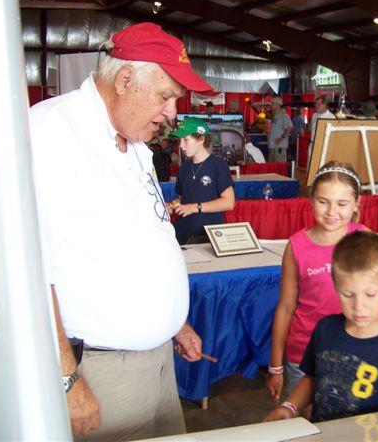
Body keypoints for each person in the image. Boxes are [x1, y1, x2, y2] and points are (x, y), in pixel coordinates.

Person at [29, 22, 209, 440]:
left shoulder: (133, 142)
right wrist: (66, 381)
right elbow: (29, 272)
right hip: (99, 370)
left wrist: (172, 322)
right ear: (125, 79)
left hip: (156, 360)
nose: (172, 113)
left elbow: (138, 236)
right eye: (166, 97)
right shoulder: (54, 133)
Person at [264, 231, 378, 423]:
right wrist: (289, 407)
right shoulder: (325, 329)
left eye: (370, 294)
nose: (359, 306)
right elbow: (313, 379)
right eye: (348, 295)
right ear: (335, 285)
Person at [266, 162, 368, 402]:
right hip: (304, 354)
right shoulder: (297, 245)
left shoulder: (365, 239)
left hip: (353, 352)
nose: (332, 211)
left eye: (342, 204)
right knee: (304, 423)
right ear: (311, 200)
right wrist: (275, 365)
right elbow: (285, 307)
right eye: (323, 201)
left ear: (356, 204)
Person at [171, 117, 235, 245]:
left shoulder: (218, 166)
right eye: (180, 141)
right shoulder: (183, 168)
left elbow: (229, 202)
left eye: (186, 140)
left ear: (201, 139)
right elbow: (182, 198)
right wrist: (173, 205)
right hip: (182, 235)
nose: (181, 145)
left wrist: (194, 207)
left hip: (207, 238)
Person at [308, 95, 336, 160]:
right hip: (312, 145)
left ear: (325, 105)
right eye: (316, 104)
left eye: (319, 104)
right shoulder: (314, 115)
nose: (316, 106)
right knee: (309, 168)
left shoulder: (331, 117)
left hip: (323, 147)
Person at [268, 97, 293, 162]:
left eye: (273, 103)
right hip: (272, 146)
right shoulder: (275, 116)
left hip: (279, 147)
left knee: (279, 167)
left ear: (278, 105)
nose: (271, 105)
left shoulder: (284, 115)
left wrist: (281, 138)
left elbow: (289, 127)